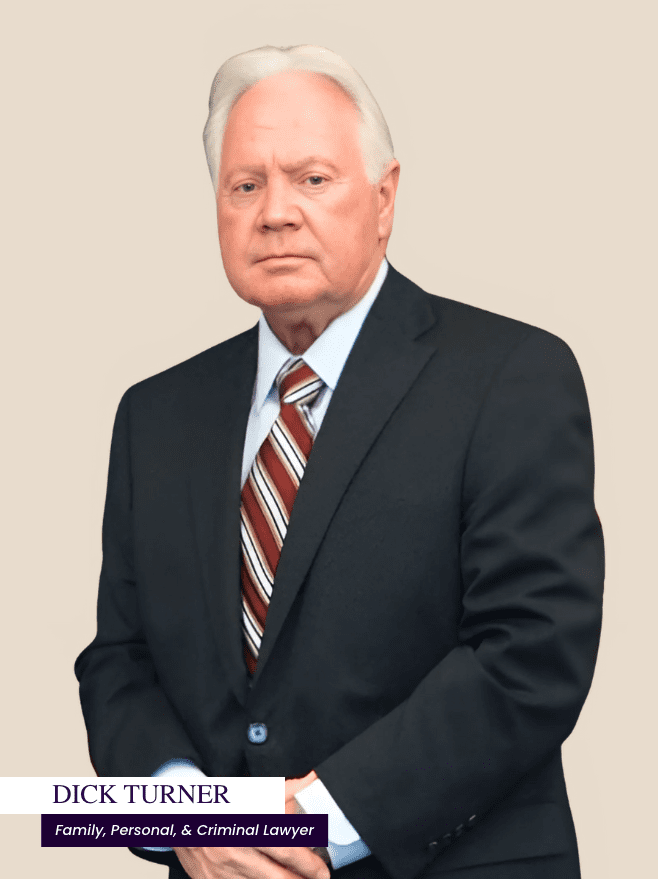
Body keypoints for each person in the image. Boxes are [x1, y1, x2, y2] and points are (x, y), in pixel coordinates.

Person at [74, 45, 604, 879]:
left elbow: (532, 651)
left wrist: (322, 819)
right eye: (245, 186)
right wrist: (185, 813)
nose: (275, 213)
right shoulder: (154, 415)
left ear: (384, 198)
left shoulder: (511, 376)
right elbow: (119, 658)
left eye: (311, 179)